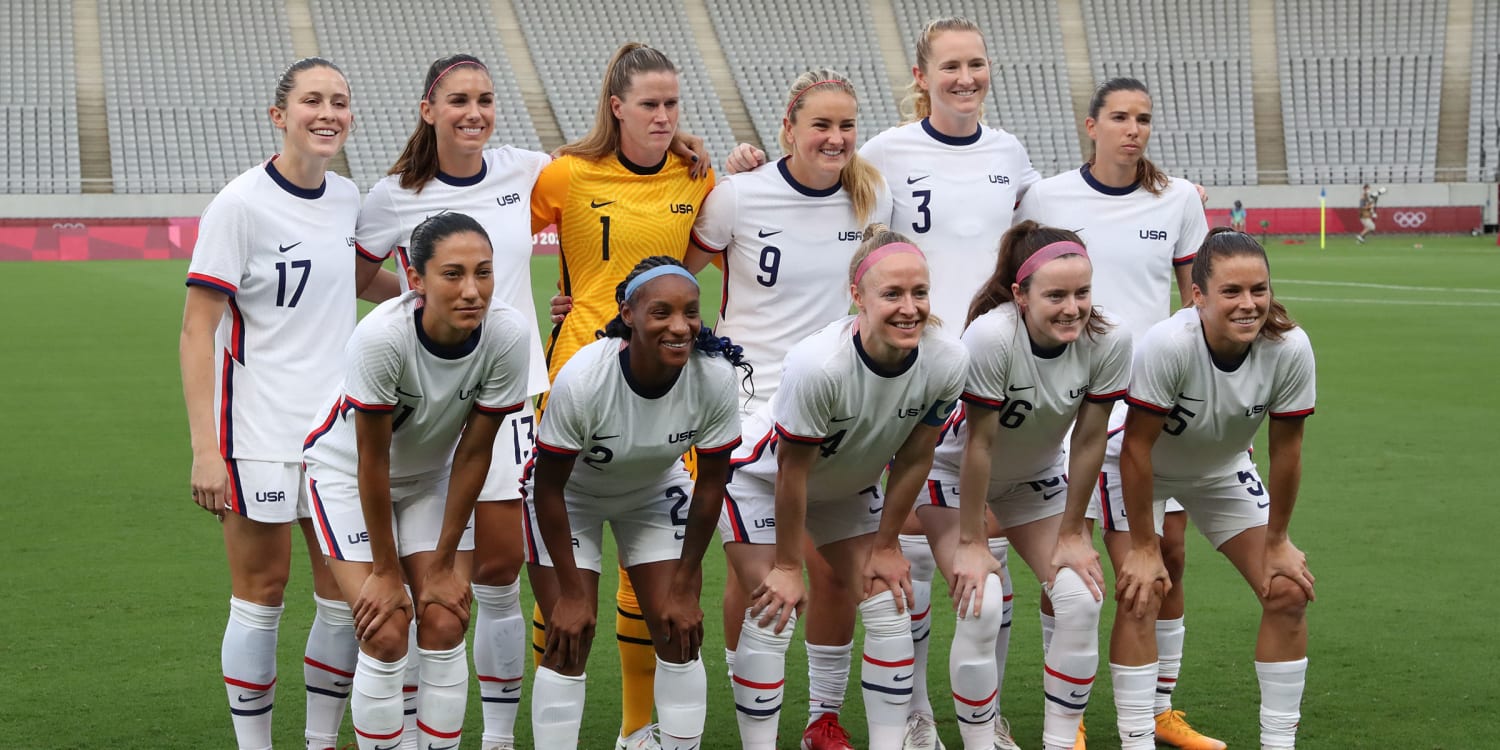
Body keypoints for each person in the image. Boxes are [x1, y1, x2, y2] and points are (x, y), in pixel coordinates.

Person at [686, 69, 893, 750]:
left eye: (845, 127)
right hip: (748, 411)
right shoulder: (738, 197)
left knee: (838, 573)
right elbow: (685, 285)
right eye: (821, 126)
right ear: (789, 128)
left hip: (838, 408)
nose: (834, 139)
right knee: (765, 579)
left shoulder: (871, 198)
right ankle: (749, 692)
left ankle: (822, 718)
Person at [353, 53, 553, 750]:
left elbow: (600, 184)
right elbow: (357, 273)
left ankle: (495, 736)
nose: (475, 112)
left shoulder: (527, 170)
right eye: (459, 99)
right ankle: (401, 725)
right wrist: (430, 306)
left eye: (486, 99)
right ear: (427, 110)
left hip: (511, 395)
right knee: (423, 586)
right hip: (431, 412)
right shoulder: (391, 196)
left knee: (498, 573)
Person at [856, 18, 1041, 748]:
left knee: (985, 549)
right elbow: (858, 250)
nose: (966, 78)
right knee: (909, 543)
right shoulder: (885, 152)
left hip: (994, 369)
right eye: (951, 66)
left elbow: (1050, 233)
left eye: (976, 64)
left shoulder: (1010, 152)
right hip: (915, 372)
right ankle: (913, 715)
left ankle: (983, 716)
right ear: (922, 74)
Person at [528, 41, 717, 750]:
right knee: (564, 587)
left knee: (652, 589)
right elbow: (494, 233)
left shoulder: (695, 176)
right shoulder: (568, 175)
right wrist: (551, 302)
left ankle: (640, 730)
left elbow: (687, 265)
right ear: (618, 107)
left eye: (672, 103)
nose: (664, 116)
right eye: (650, 104)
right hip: (577, 386)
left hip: (666, 390)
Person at [1017, 76, 1216, 750]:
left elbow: (1197, 304)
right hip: (1071, 400)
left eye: (1144, 119)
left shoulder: (1181, 199)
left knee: (1170, 553)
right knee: (1071, 562)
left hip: (1155, 403)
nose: (1134, 129)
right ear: (1091, 125)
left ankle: (1160, 711)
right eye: (1121, 117)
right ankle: (1066, 719)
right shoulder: (1046, 197)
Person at [721, 225, 967, 750]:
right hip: (760, 482)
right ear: (857, 296)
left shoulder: (947, 359)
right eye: (892, 294)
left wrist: (885, 545)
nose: (909, 308)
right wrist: (789, 567)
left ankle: (858, 734)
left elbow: (916, 456)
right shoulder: (820, 365)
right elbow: (791, 472)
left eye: (919, 293)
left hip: (846, 487)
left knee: (888, 602)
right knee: (773, 607)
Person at [179, 57, 365, 750]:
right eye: (312, 100)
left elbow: (357, 280)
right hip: (257, 432)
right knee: (261, 596)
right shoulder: (240, 204)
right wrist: (206, 449)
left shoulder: (348, 197)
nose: (327, 113)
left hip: (339, 436)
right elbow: (197, 329)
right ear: (278, 114)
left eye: (339, 102)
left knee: (343, 602)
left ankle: (321, 742)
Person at [302, 212, 531, 750]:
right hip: (345, 474)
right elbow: (371, 462)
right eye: (453, 274)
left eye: (484, 272)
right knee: (384, 630)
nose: (472, 290)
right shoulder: (382, 338)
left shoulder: (507, 334)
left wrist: (447, 564)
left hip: (433, 476)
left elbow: (475, 452)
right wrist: (386, 571)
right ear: (416, 279)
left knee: (445, 619)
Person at [523, 256, 748, 749]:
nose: (680, 326)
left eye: (690, 312)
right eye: (661, 312)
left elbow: (710, 485)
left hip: (650, 491)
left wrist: (686, 584)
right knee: (570, 637)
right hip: (572, 497)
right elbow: (548, 486)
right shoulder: (585, 378)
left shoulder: (714, 377)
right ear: (628, 314)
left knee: (678, 632)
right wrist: (573, 592)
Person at [921, 222, 1128, 750]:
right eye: (1055, 295)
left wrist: (1075, 533)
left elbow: (1087, 443)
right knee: (982, 600)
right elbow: (978, 447)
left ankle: (1059, 742)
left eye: (1082, 293)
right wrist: (971, 542)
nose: (1072, 308)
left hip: (1034, 480)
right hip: (950, 475)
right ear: (1020, 295)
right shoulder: (992, 337)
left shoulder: (1109, 341)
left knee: (1081, 600)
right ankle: (981, 741)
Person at [1112, 228, 1316, 750]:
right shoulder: (1169, 344)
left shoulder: (1289, 347)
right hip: (1141, 467)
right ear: (1198, 295)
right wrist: (1141, 546)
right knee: (1143, 591)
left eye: (1259, 290)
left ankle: (1278, 744)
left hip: (1221, 469)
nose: (1249, 304)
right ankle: (1138, 740)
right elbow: (1136, 448)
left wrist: (1278, 539)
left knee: (1287, 589)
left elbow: (1287, 449)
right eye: (1232, 292)